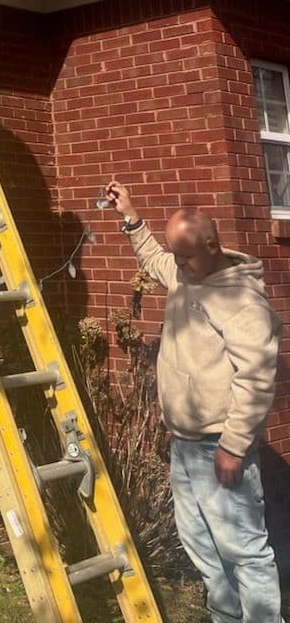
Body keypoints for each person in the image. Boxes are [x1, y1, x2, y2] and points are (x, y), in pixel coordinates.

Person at [103, 180, 283, 623]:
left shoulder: (242, 303)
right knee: (201, 543)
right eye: (176, 255)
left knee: (243, 550)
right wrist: (130, 216)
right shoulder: (186, 273)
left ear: (212, 245)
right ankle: (225, 617)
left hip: (218, 447)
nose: (177, 264)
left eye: (185, 255)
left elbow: (257, 380)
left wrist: (234, 446)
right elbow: (155, 259)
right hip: (183, 444)